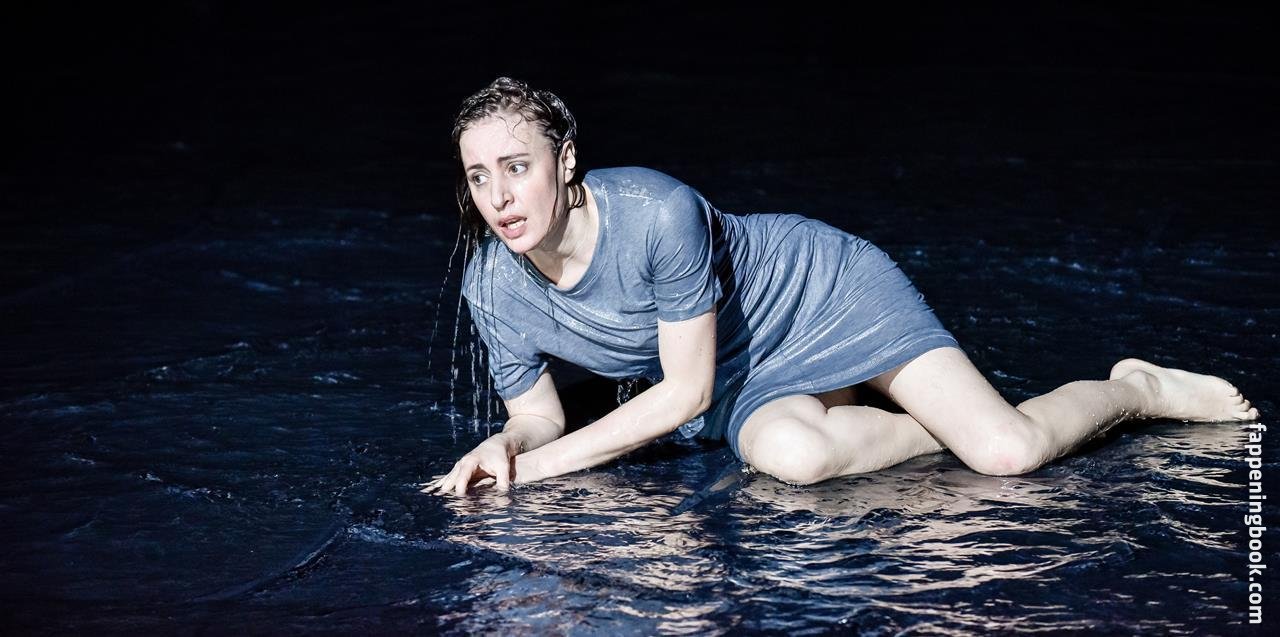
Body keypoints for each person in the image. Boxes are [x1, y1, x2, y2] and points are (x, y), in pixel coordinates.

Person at [422, 77, 1260, 497]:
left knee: (1008, 454)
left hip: (822, 297)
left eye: (517, 167)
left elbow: (684, 393)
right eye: (478, 177)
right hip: (740, 372)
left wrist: (534, 473)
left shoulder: (657, 212)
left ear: (566, 161)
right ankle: (935, 422)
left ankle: (1138, 388)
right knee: (795, 459)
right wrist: (511, 444)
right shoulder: (491, 283)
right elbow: (539, 414)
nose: (499, 198)